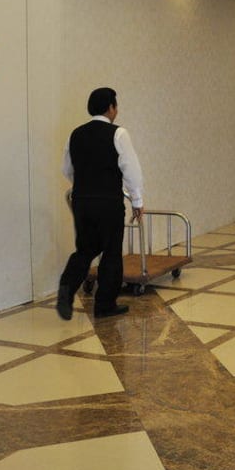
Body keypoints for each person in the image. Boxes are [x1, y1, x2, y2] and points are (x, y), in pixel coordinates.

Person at [56, 87, 144, 321]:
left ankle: (66, 288)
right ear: (111, 108)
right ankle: (105, 305)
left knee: (85, 249)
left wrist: (85, 187)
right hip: (108, 202)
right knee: (111, 251)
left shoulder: (75, 134)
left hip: (82, 202)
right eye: (116, 106)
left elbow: (66, 169)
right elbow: (131, 170)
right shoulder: (119, 133)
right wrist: (137, 200)